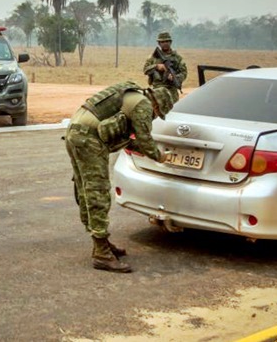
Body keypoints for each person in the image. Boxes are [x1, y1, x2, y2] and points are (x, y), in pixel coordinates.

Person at [64, 83, 174, 273]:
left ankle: (102, 243)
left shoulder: (131, 96)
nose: (154, 116)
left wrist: (147, 150)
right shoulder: (143, 104)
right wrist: (160, 156)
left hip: (76, 132)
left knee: (86, 189)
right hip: (89, 139)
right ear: (157, 106)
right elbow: (145, 140)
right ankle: (101, 253)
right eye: (158, 113)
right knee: (97, 193)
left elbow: (130, 141)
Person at [143, 31, 188, 103]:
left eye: (167, 41)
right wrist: (156, 66)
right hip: (157, 90)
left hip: (171, 91)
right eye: (162, 42)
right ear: (159, 43)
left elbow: (184, 72)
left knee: (173, 111)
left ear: (170, 42)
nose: (165, 43)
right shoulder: (153, 57)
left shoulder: (177, 58)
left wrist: (175, 77)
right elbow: (145, 70)